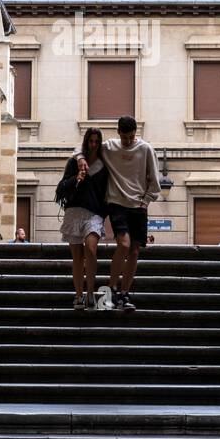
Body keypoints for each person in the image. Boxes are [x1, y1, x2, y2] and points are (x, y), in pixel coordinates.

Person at [77, 115, 159, 311]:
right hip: (116, 203)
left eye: (131, 137)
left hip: (138, 205)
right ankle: (112, 286)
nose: (128, 141)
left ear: (135, 133)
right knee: (123, 244)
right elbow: (83, 149)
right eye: (125, 138)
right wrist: (80, 158)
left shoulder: (146, 149)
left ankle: (124, 293)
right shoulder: (110, 147)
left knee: (135, 251)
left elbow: (154, 180)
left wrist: (145, 201)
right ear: (118, 133)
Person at [57, 127, 108, 310]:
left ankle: (91, 291)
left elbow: (105, 192)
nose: (93, 144)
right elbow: (61, 188)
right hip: (74, 212)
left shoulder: (103, 165)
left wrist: (103, 213)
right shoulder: (74, 162)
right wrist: (75, 179)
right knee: (77, 258)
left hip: (93, 213)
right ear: (86, 142)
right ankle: (79, 295)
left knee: (91, 249)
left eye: (96, 141)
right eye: (90, 141)